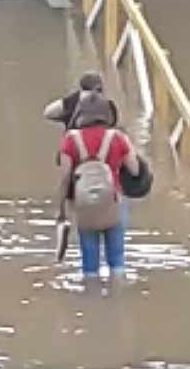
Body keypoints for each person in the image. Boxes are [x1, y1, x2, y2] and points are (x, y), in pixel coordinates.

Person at [56, 91, 140, 279]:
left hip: (85, 207)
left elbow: (64, 178)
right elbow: (135, 170)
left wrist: (62, 209)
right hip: (113, 203)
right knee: (117, 260)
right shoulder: (118, 137)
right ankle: (118, 298)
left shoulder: (70, 139)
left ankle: (90, 300)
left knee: (89, 264)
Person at [43, 71, 119, 129]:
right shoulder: (108, 104)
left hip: (76, 144)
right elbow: (113, 123)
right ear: (99, 87)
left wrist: (65, 116)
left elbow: (48, 112)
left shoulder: (72, 101)